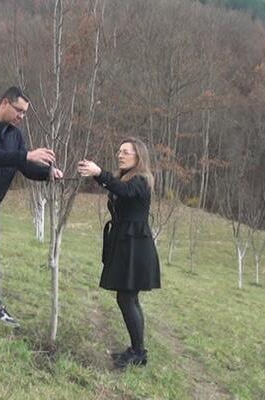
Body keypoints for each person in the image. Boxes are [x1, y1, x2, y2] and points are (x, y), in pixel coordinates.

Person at [0, 86, 63, 333]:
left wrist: (48, 173)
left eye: (25, 113)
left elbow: (24, 167)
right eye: (19, 110)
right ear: (4, 103)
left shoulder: (14, 135)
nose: (21, 116)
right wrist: (27, 155)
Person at [77, 137, 160, 368]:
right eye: (119, 151)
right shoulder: (126, 178)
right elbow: (116, 187)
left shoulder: (141, 180)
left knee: (127, 297)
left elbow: (122, 190)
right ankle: (137, 350)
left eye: (126, 152)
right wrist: (96, 174)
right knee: (128, 297)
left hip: (135, 245)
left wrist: (99, 172)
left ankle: (138, 352)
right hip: (126, 243)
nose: (120, 155)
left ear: (138, 156)